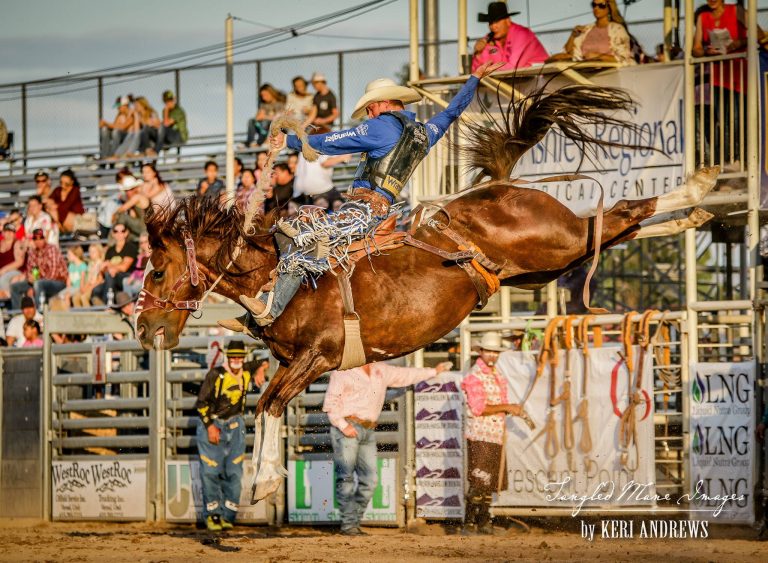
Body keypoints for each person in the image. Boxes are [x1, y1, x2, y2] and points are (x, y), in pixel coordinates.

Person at [220, 61, 502, 334]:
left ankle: (268, 314)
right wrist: (474, 80)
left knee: (301, 234)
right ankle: (267, 309)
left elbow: (334, 141)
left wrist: (290, 141)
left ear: (385, 103)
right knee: (295, 231)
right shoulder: (425, 133)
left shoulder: (382, 127)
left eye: (371, 106)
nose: (369, 113)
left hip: (362, 212)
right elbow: (451, 112)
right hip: (378, 210)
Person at [323, 360, 452, 535]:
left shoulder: (379, 369)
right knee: (346, 478)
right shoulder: (343, 371)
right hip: (348, 426)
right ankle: (349, 525)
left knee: (370, 480)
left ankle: (352, 522)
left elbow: (405, 375)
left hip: (367, 428)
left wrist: (433, 371)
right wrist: (342, 424)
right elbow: (331, 401)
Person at [195, 340, 268, 532]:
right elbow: (201, 403)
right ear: (228, 357)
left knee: (234, 474)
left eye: (239, 357)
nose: (236, 360)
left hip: (235, 425)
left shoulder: (246, 369)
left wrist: (261, 370)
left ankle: (228, 516)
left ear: (243, 358)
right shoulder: (216, 374)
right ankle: (213, 516)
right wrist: (210, 426)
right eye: (233, 357)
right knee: (210, 472)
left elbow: (266, 359)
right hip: (214, 422)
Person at [460, 331, 523, 535]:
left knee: (488, 484)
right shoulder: (474, 376)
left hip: (495, 435)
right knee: (480, 481)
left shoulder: (497, 376)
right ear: (481, 352)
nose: (492, 355)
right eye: (488, 351)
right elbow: (479, 408)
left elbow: (495, 406)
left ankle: (483, 522)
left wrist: (509, 408)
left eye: (495, 352)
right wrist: (508, 407)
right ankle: (469, 522)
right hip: (480, 435)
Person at [692, 0, 747, 166]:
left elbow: (756, 35)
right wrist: (706, 51)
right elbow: (696, 49)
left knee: (740, 118)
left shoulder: (736, 10)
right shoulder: (703, 16)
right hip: (718, 77)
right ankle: (730, 161)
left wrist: (739, 43)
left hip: (739, 72)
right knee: (724, 120)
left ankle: (743, 159)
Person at [547, 0, 634, 65]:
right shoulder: (586, 29)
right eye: (594, 5)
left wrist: (598, 57)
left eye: (601, 5)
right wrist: (573, 36)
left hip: (608, 72)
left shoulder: (617, 29)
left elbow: (624, 59)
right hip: (583, 70)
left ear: (609, 7)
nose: (596, 8)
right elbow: (567, 53)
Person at [471, 2, 548, 72]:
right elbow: (475, 72)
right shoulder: (488, 39)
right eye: (490, 22)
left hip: (543, 79)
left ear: (508, 21)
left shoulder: (521, 34)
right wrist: (478, 53)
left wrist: (487, 69)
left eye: (497, 21)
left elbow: (511, 69)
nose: (493, 26)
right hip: (517, 82)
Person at [9, 228, 67, 310]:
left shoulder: (51, 249)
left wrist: (35, 284)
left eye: (41, 238)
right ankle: (17, 314)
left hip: (58, 282)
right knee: (14, 287)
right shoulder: (33, 252)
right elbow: (31, 270)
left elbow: (53, 274)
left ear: (44, 238)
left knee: (38, 284)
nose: (38, 240)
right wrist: (31, 280)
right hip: (39, 281)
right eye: (35, 238)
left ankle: (39, 312)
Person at [91, 222, 137, 306]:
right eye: (116, 231)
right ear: (112, 233)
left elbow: (124, 268)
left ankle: (108, 305)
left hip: (126, 276)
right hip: (110, 277)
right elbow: (103, 269)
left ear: (126, 233)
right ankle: (100, 306)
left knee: (110, 274)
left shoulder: (130, 247)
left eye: (122, 231)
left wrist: (111, 266)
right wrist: (108, 268)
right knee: (96, 290)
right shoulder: (110, 250)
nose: (119, 233)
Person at [245, 84, 286, 148]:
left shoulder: (280, 103)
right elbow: (258, 117)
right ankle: (251, 142)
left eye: (265, 95)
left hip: (276, 128)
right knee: (251, 121)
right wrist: (263, 116)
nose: (264, 97)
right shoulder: (264, 104)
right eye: (262, 96)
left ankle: (262, 142)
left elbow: (279, 117)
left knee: (266, 121)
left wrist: (265, 117)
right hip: (263, 128)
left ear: (271, 93)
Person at [47, 170, 85, 234]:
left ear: (72, 182)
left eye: (66, 184)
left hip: (75, 221)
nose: (63, 186)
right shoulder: (58, 190)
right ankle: (59, 226)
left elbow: (66, 206)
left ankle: (59, 227)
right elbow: (48, 202)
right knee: (50, 210)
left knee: (54, 211)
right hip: (61, 220)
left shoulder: (75, 190)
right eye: (61, 183)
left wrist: (55, 206)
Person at [0, 223, 25, 300]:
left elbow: (20, 262)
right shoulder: (1, 243)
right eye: (7, 231)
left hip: (14, 271)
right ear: (3, 232)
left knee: (3, 280)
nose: (9, 233)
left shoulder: (17, 243)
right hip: (2, 272)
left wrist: (4, 270)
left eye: (11, 231)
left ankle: (7, 297)